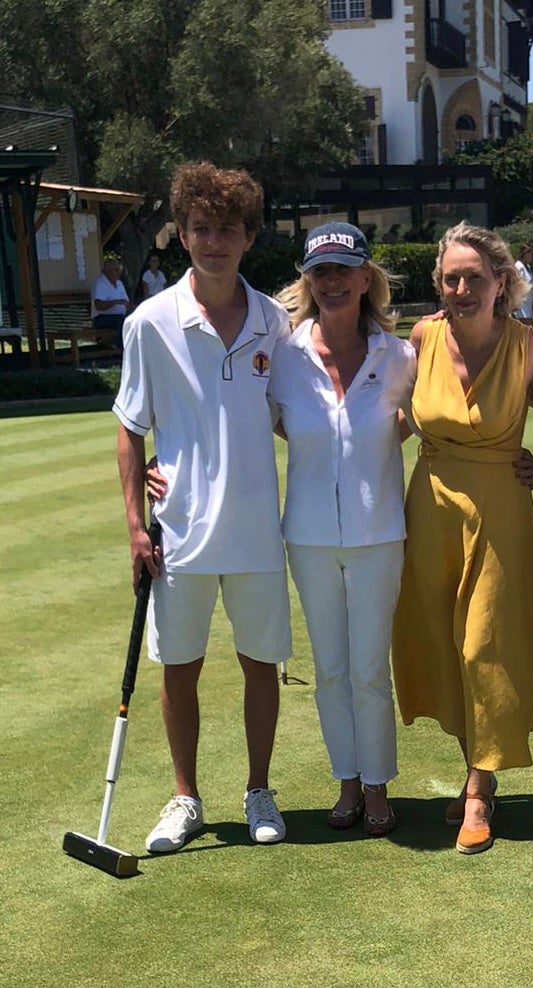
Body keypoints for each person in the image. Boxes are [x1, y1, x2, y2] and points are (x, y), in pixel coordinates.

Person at [114, 161, 292, 854]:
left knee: (259, 664)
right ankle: (185, 797)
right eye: (200, 229)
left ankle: (259, 790)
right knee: (178, 667)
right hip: (178, 532)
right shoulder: (150, 323)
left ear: (247, 237)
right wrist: (134, 524)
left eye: (226, 230)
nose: (213, 241)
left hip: (255, 532)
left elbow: (297, 412)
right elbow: (131, 427)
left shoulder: (275, 321)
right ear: (181, 235)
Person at [391, 221, 533, 855]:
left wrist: (531, 457)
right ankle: (472, 761)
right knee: (440, 641)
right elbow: (390, 418)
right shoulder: (422, 336)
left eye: (474, 278)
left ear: (500, 283)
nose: (460, 289)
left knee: (488, 644)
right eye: (450, 278)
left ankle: (480, 792)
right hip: (429, 506)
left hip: (501, 509)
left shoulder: (532, 347)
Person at [270, 223, 416, 837]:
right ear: (308, 279)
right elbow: (266, 423)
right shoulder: (283, 355)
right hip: (307, 534)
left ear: (365, 278)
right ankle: (347, 783)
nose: (331, 283)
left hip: (380, 532)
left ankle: (378, 783)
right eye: (320, 272)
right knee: (329, 667)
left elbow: (430, 422)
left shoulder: (400, 355)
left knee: (367, 668)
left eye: (343, 270)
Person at [91, 257, 130, 347]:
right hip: (102, 318)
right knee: (122, 321)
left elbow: (126, 303)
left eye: (119, 270)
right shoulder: (99, 284)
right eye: (116, 270)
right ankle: (122, 349)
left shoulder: (119, 283)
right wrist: (115, 302)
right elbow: (99, 306)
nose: (119, 273)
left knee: (133, 319)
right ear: (107, 271)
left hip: (119, 316)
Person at [513, 243, 533, 325]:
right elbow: (514, 286)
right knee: (529, 331)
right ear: (525, 254)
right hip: (521, 306)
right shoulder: (518, 267)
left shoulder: (528, 267)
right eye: (531, 254)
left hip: (528, 304)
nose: (532, 256)